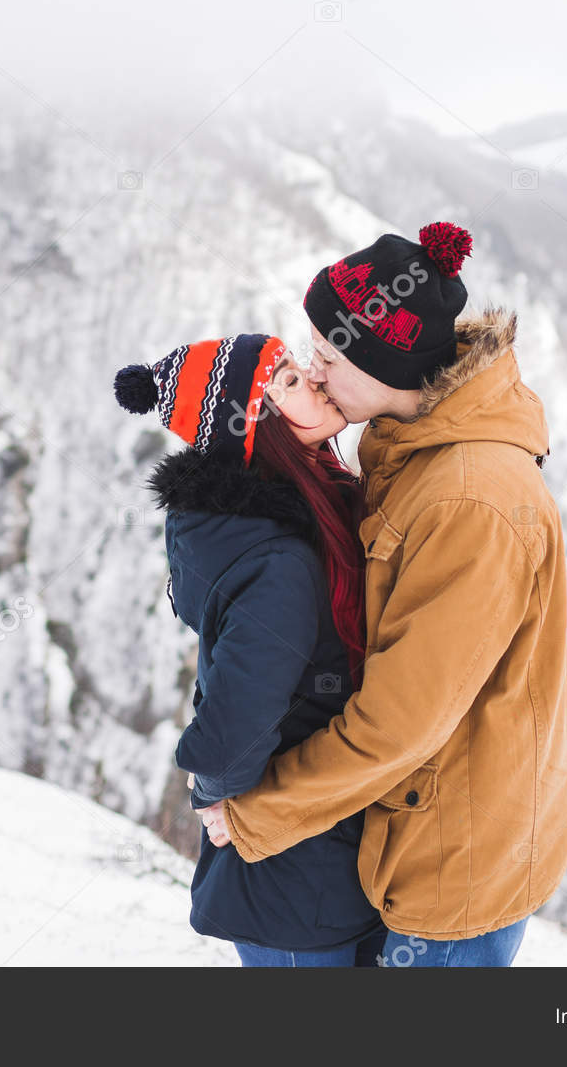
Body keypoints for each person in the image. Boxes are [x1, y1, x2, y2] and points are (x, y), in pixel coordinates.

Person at [196, 222, 567, 968]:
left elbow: (399, 723)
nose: (313, 371)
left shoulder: (467, 502)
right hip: (417, 826)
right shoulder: (410, 441)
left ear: (387, 363)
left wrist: (257, 814)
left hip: (453, 868)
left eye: (330, 357)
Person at [114, 334, 387, 966]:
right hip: (294, 888)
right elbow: (233, 725)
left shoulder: (281, 521)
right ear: (253, 429)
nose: (315, 383)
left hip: (309, 865)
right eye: (289, 383)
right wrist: (217, 792)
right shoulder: (281, 559)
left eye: (299, 371)